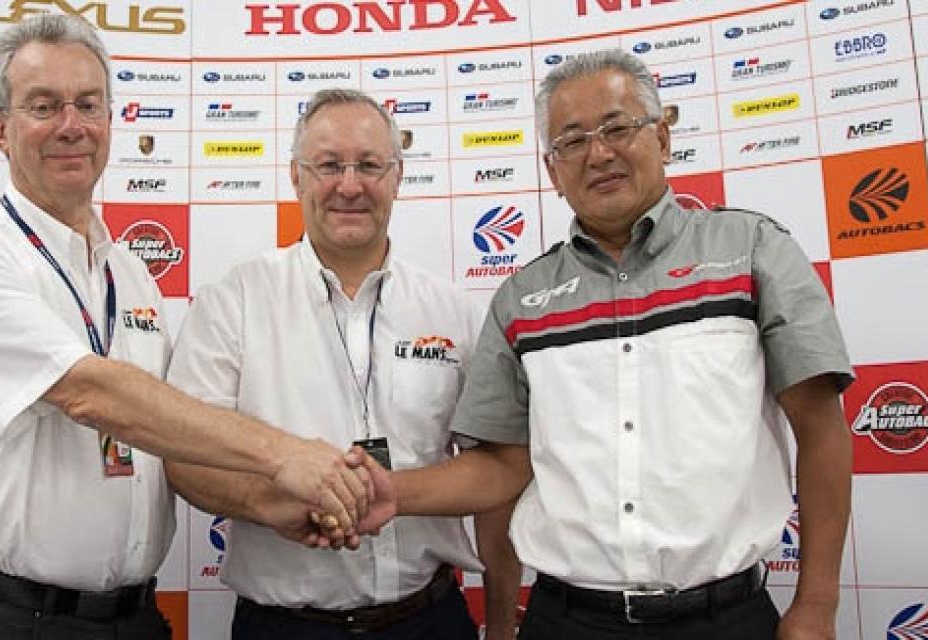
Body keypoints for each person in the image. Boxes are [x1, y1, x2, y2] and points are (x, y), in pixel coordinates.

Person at [355, 49, 854, 640]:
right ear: (552, 171)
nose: (598, 154)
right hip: (565, 621)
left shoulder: (753, 250)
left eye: (617, 128)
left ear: (662, 139)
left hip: (727, 619)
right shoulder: (521, 299)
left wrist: (817, 604)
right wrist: (497, 617)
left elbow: (821, 429)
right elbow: (501, 470)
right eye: (572, 142)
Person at [0, 15, 371, 639]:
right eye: (43, 106)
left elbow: (165, 428)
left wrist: (266, 503)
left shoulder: (129, 272)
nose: (71, 125)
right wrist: (288, 455)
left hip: (136, 617)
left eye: (88, 104)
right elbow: (90, 393)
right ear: (0, 129)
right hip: (13, 619)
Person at [164, 88, 519, 639]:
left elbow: (497, 466)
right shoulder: (234, 299)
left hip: (429, 620)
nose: (350, 186)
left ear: (398, 177)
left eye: (369, 165)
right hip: (283, 627)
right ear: (296, 176)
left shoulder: (453, 309)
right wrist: (268, 500)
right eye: (329, 165)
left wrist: (499, 623)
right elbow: (186, 459)